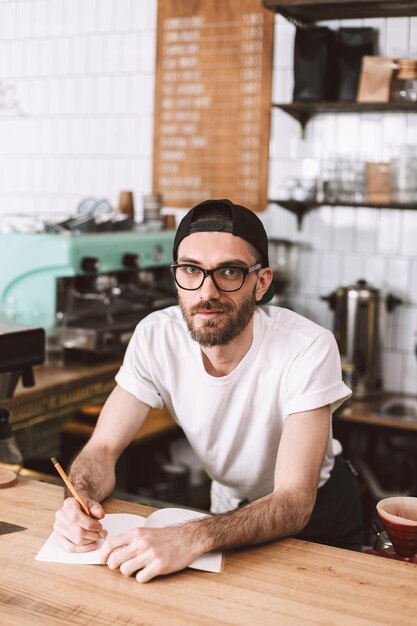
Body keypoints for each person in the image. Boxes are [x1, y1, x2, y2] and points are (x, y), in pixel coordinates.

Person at [53, 198, 363, 583]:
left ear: (262, 282)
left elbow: (294, 500)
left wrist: (192, 536)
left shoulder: (308, 347)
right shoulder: (155, 336)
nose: (207, 291)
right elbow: (102, 449)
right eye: (191, 270)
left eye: (229, 272)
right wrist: (78, 502)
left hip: (318, 521)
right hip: (230, 511)